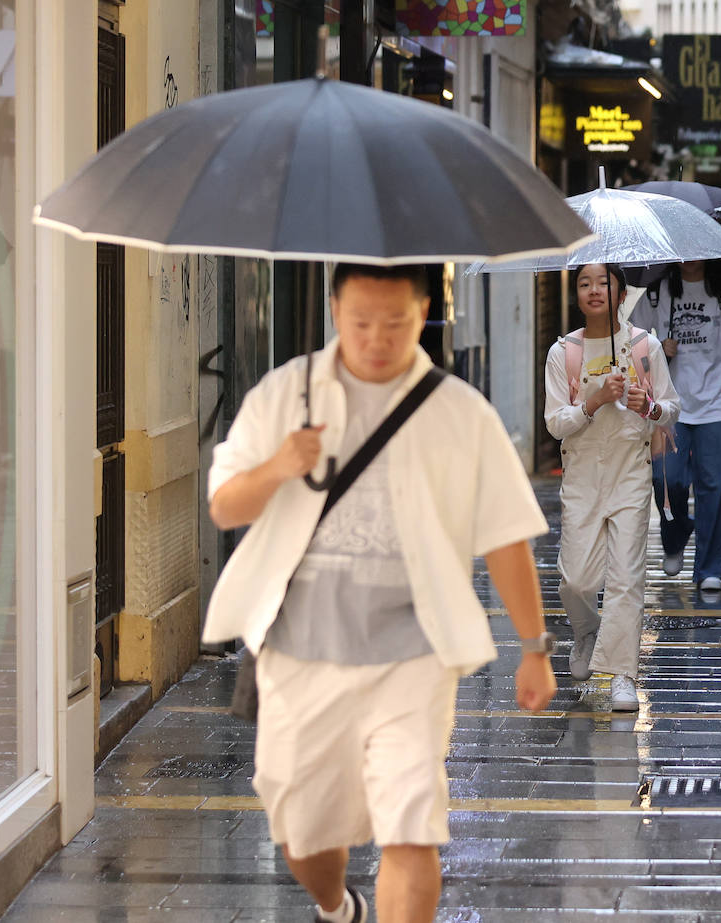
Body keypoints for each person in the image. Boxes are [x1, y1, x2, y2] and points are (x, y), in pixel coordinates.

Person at [202, 263, 557, 923]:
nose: (377, 338)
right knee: (302, 832)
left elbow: (506, 537)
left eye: (395, 322)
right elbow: (225, 505)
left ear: (423, 312)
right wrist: (280, 465)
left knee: (412, 822)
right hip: (300, 653)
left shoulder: (459, 412)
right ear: (335, 310)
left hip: (413, 653)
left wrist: (534, 647)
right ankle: (337, 905)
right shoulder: (285, 394)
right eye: (361, 321)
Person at [544, 263, 679, 711]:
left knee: (626, 578)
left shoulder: (644, 346)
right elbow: (555, 424)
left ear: (620, 293)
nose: (594, 290)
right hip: (582, 477)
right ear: (577, 294)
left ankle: (623, 674)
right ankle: (585, 631)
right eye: (585, 283)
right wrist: (592, 402)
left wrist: (651, 406)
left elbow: (672, 409)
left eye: (603, 282)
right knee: (575, 579)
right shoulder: (563, 352)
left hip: (630, 475)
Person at [630, 259, 721, 591]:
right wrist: (657, 350)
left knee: (714, 487)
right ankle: (675, 535)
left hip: (718, 404)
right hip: (668, 407)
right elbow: (631, 345)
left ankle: (710, 569)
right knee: (665, 477)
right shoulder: (656, 294)